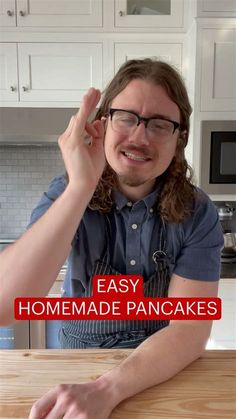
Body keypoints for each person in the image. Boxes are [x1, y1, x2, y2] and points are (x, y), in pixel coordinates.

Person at [0, 59, 223, 418]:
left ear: (179, 137)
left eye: (160, 124)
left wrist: (108, 389)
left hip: (158, 371)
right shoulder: (66, 193)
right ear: (101, 123)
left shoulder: (198, 213)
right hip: (73, 365)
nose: (140, 136)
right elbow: (4, 306)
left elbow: (190, 326)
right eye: (126, 117)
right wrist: (80, 187)